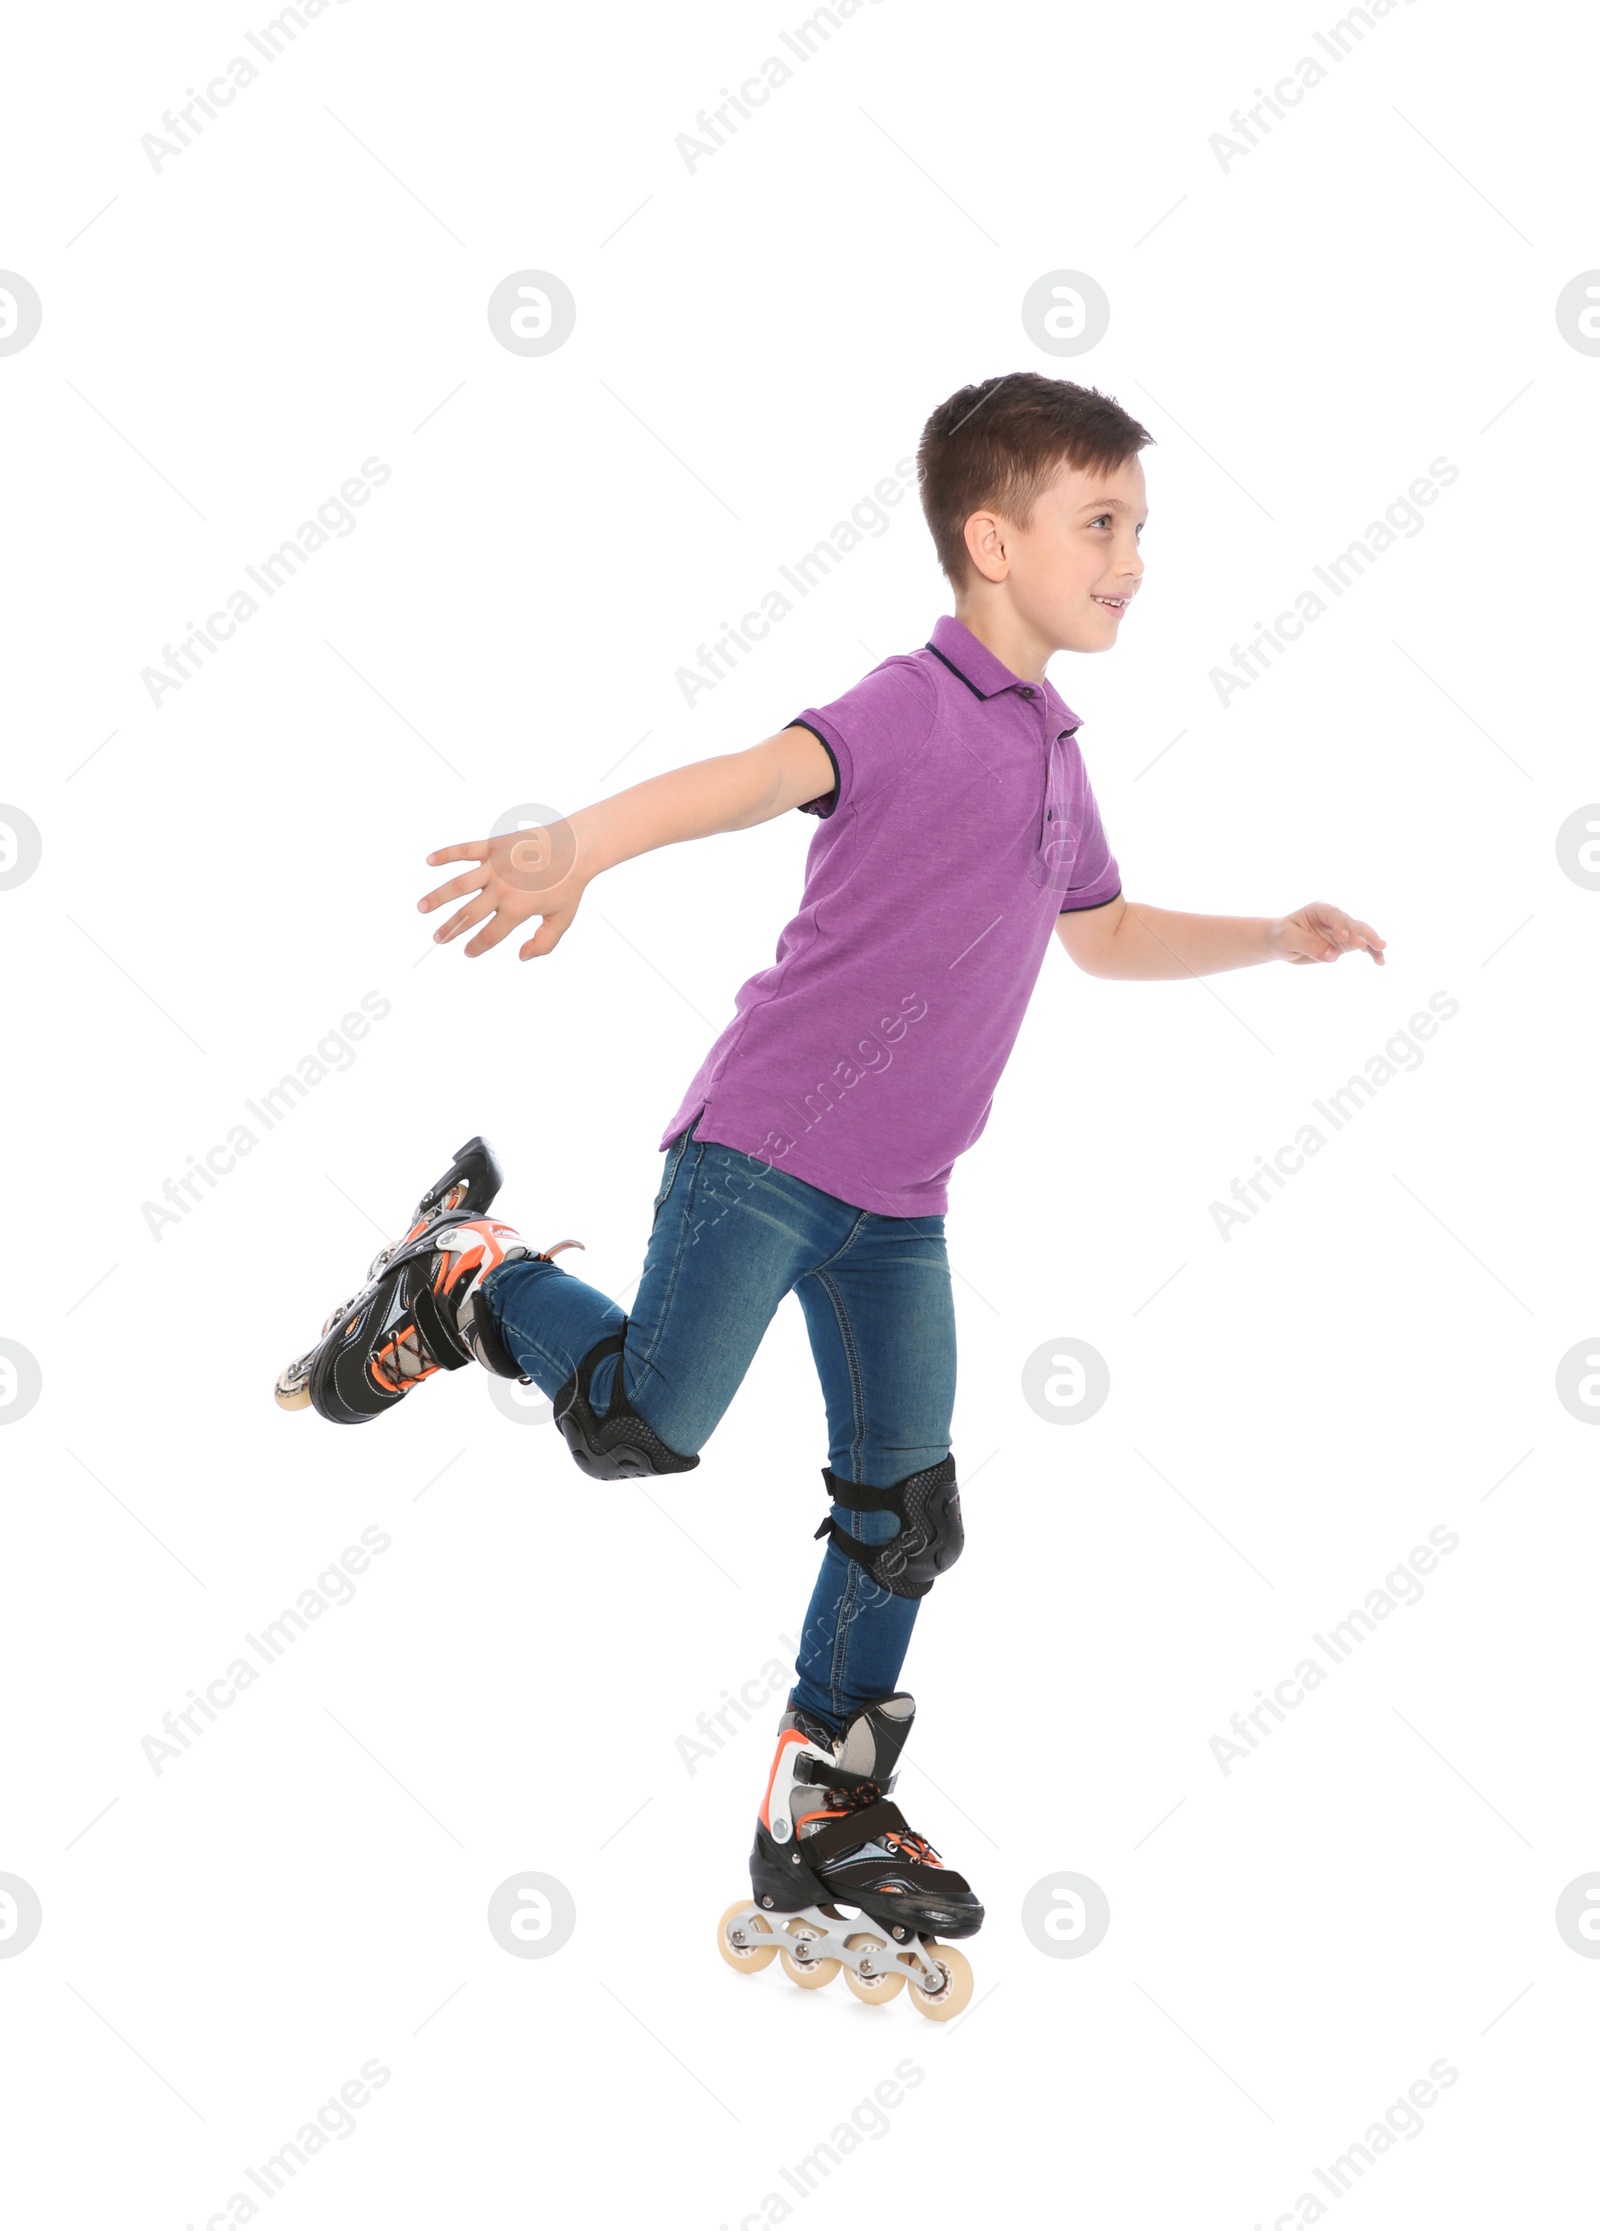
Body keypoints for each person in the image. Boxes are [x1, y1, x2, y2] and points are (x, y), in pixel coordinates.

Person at [276, 371, 1385, 2016]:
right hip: (768, 1155)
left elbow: (1109, 935)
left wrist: (1270, 937)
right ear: (991, 539)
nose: (1136, 557)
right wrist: (575, 842)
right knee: (639, 1424)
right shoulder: (908, 704)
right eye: (1104, 524)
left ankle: (825, 1795)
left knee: (907, 1512)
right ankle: (467, 1275)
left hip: (902, 1208)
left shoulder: (1064, 763)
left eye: (1143, 527)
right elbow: (748, 775)